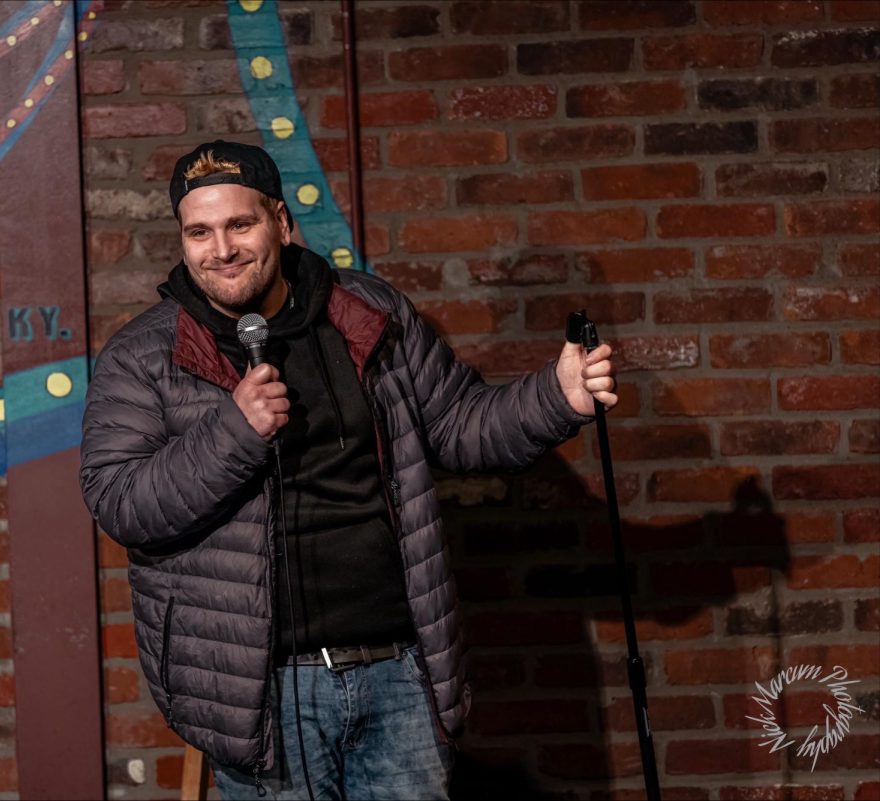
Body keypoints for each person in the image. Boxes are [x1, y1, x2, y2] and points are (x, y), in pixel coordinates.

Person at [80, 140, 617, 800]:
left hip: (397, 673)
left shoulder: (368, 314)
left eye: (239, 225)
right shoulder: (144, 355)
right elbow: (121, 502)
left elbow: (459, 427)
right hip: (266, 692)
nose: (221, 249)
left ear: (280, 221)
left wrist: (556, 397)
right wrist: (233, 433)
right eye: (200, 232)